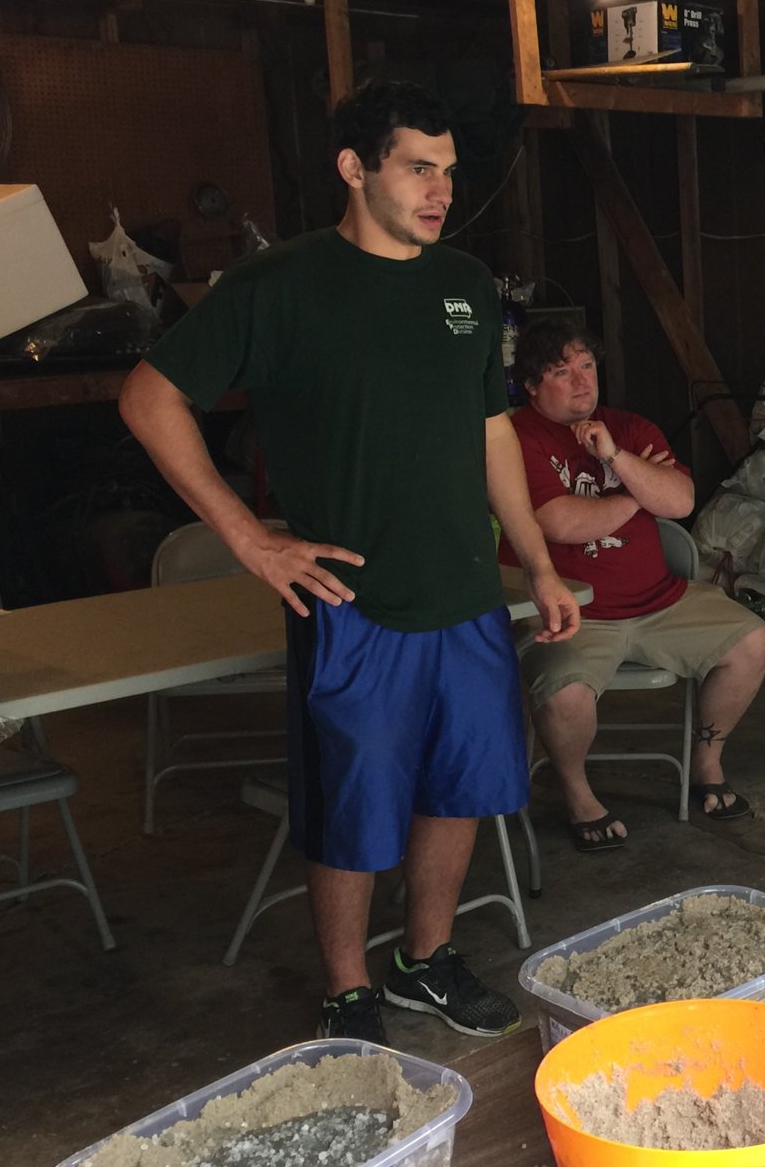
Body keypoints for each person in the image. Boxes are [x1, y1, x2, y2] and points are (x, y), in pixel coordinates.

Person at [119, 79, 580, 1043]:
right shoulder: (278, 285)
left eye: (447, 172)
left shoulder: (464, 285)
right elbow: (150, 399)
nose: (440, 190)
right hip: (352, 598)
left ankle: (424, 961)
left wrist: (536, 564)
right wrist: (248, 537)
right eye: (418, 168)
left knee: (460, 784)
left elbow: (492, 430)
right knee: (353, 805)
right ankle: (346, 988)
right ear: (353, 169)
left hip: (465, 591)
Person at [503, 314, 765, 848]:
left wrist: (615, 457)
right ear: (531, 384)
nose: (582, 381)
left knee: (752, 641)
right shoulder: (514, 438)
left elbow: (680, 501)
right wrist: (636, 492)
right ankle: (578, 794)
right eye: (562, 371)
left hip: (660, 600)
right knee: (565, 693)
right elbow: (561, 522)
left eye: (587, 366)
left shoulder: (628, 428)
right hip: (571, 613)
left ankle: (707, 763)